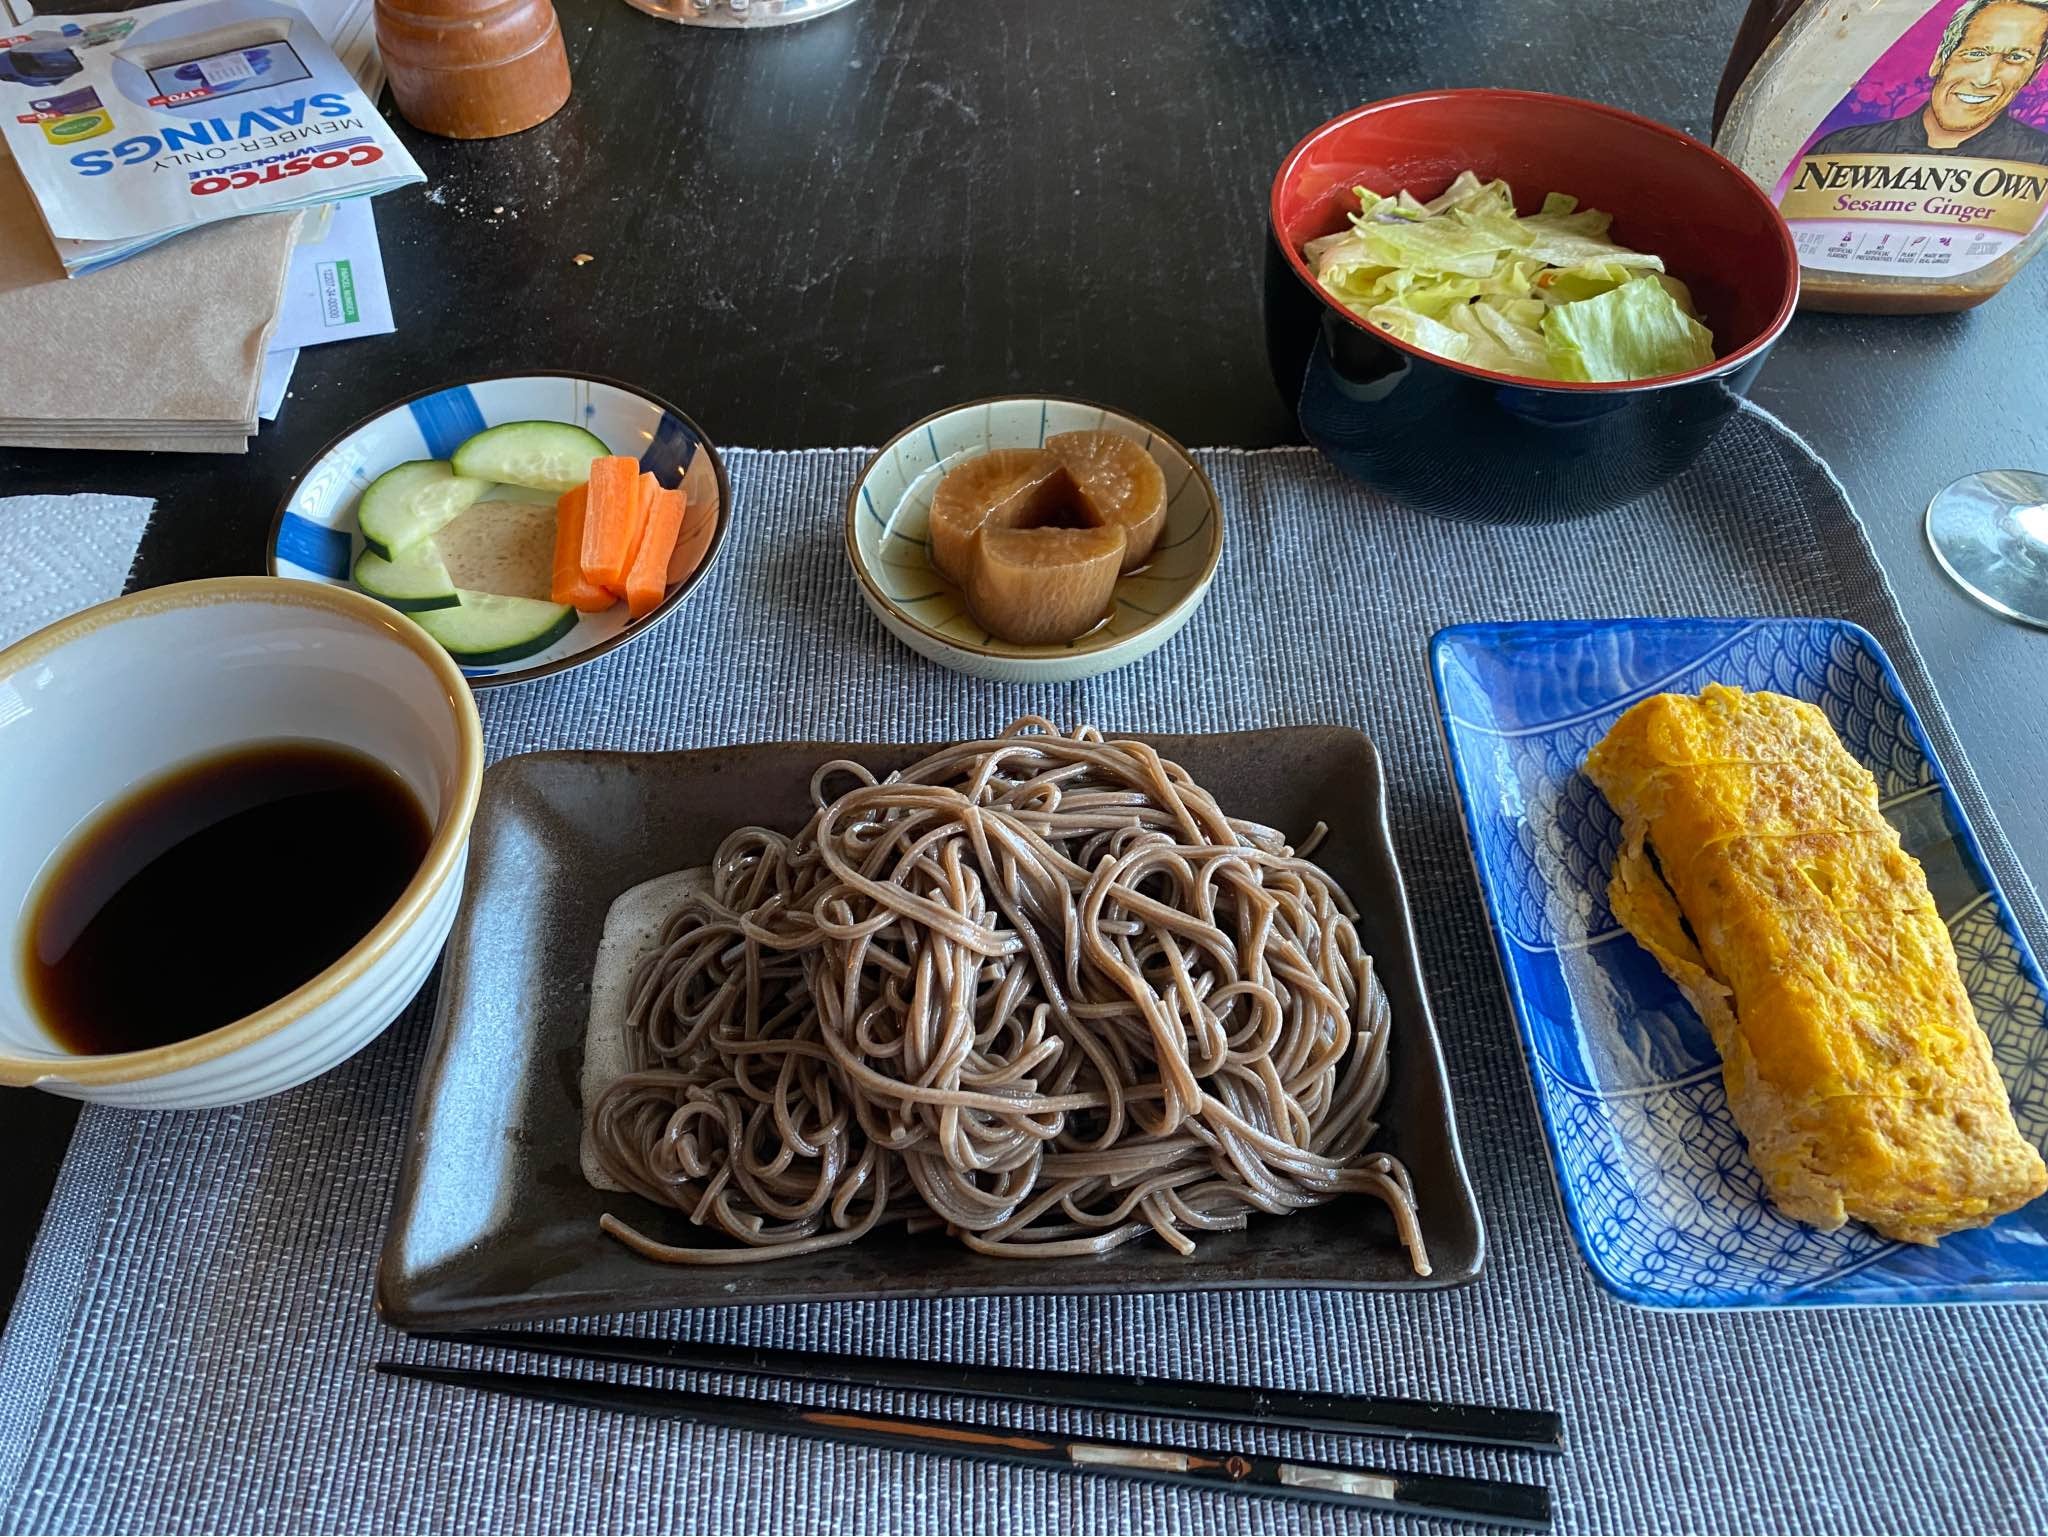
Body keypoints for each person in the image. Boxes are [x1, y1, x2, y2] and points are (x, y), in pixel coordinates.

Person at [1812, 0, 2048, 161]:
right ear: (1940, 59)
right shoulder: (1842, 149)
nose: (1985, 78)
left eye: (2015, 58)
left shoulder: (2040, 160)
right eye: (1975, 53)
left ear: (2033, 72)